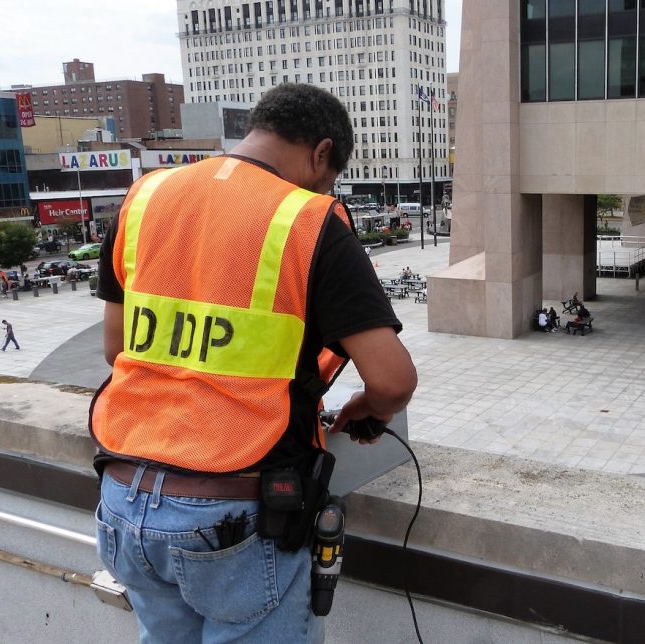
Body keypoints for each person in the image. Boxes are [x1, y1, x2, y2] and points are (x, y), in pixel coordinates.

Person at [89, 84, 417, 642]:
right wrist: (370, 409)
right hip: (234, 516)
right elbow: (392, 379)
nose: (324, 188)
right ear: (322, 153)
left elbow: (116, 350)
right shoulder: (309, 220)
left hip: (124, 498)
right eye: (329, 176)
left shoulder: (145, 196)